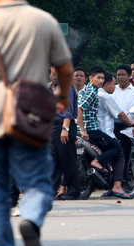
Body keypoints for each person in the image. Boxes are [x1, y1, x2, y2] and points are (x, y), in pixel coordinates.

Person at [0, 1, 73, 246]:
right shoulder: (43, 21)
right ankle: (30, 218)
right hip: (29, 116)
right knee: (39, 181)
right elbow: (64, 69)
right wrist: (61, 97)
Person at [78, 66, 128, 199]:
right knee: (117, 148)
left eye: (102, 78)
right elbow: (79, 109)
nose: (100, 81)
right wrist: (83, 129)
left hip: (85, 130)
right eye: (98, 78)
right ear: (91, 78)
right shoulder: (93, 93)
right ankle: (98, 162)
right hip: (92, 130)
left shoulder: (86, 90)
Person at [112, 65, 134, 195]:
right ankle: (115, 185)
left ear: (129, 76)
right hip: (113, 130)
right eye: (118, 75)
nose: (120, 77)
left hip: (131, 130)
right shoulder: (112, 90)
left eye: (123, 75)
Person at [48, 66, 80, 200]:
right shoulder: (50, 87)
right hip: (52, 126)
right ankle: (51, 190)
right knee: (53, 159)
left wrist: (65, 129)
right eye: (53, 71)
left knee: (67, 159)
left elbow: (68, 108)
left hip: (64, 125)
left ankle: (74, 190)